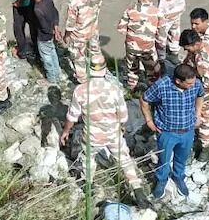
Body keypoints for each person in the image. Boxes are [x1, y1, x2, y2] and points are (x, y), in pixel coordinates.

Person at [60, 58, 149, 207]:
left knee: (88, 158)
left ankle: (88, 186)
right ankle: (137, 190)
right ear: (104, 70)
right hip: (113, 133)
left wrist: (65, 131)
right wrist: (121, 125)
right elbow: (123, 114)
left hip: (92, 135)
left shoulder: (81, 90)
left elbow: (72, 116)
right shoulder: (114, 89)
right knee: (124, 160)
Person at [141, 64, 203, 201]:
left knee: (182, 157)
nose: (193, 85)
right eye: (189, 83)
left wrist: (198, 115)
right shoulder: (161, 86)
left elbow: (200, 95)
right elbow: (145, 100)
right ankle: (161, 179)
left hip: (188, 131)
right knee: (163, 159)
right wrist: (149, 121)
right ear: (178, 81)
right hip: (167, 132)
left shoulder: (196, 83)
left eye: (193, 82)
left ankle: (178, 176)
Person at [178, 29, 209, 160]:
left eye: (186, 48)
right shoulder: (205, 43)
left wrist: (198, 98)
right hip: (204, 80)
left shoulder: (202, 61)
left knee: (204, 117)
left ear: (194, 44)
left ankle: (205, 146)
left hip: (205, 92)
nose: (185, 50)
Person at [60, 0, 104, 83]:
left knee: (79, 58)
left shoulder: (75, 0)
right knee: (95, 53)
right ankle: (99, 75)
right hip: (93, 30)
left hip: (79, 35)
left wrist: (66, 36)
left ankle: (82, 81)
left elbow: (70, 23)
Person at [116, 0, 161, 91]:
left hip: (132, 47)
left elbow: (121, 29)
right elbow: (161, 33)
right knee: (152, 70)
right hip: (148, 48)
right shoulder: (158, 12)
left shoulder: (130, 10)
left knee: (132, 69)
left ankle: (131, 88)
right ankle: (152, 90)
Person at [25, 0, 61, 85]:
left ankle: (51, 79)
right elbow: (55, 12)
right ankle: (57, 73)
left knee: (46, 57)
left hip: (44, 37)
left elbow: (44, 27)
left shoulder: (37, 9)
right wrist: (56, 28)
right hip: (51, 32)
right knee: (53, 53)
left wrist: (52, 32)